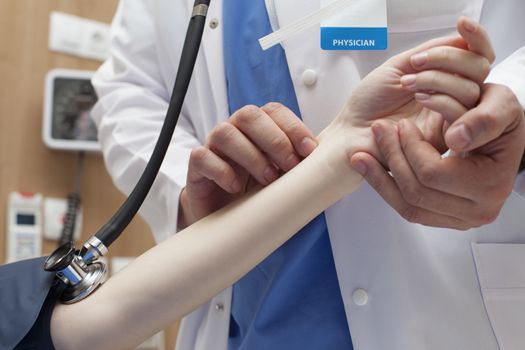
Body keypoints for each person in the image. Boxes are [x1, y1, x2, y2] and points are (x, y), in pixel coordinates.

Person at [5, 23, 509, 350]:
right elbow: (127, 92)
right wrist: (184, 187)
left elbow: (91, 326)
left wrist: (513, 106)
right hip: (246, 312)